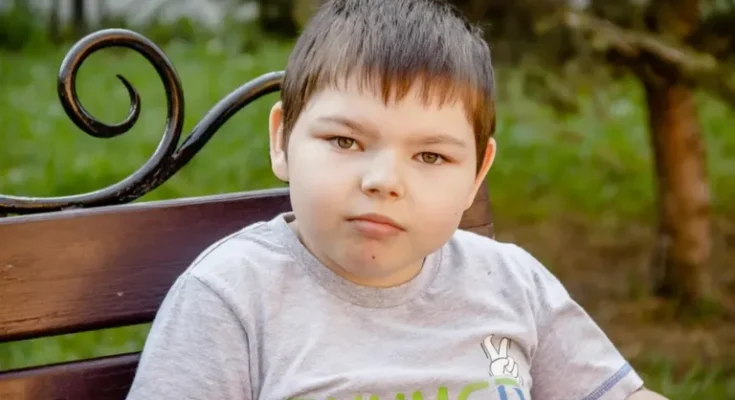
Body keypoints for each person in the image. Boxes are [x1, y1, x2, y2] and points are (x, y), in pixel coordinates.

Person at [125, 1, 669, 399]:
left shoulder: (512, 284)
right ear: (281, 140)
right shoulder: (232, 297)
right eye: (345, 142)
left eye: (431, 156)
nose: (383, 181)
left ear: (478, 173)